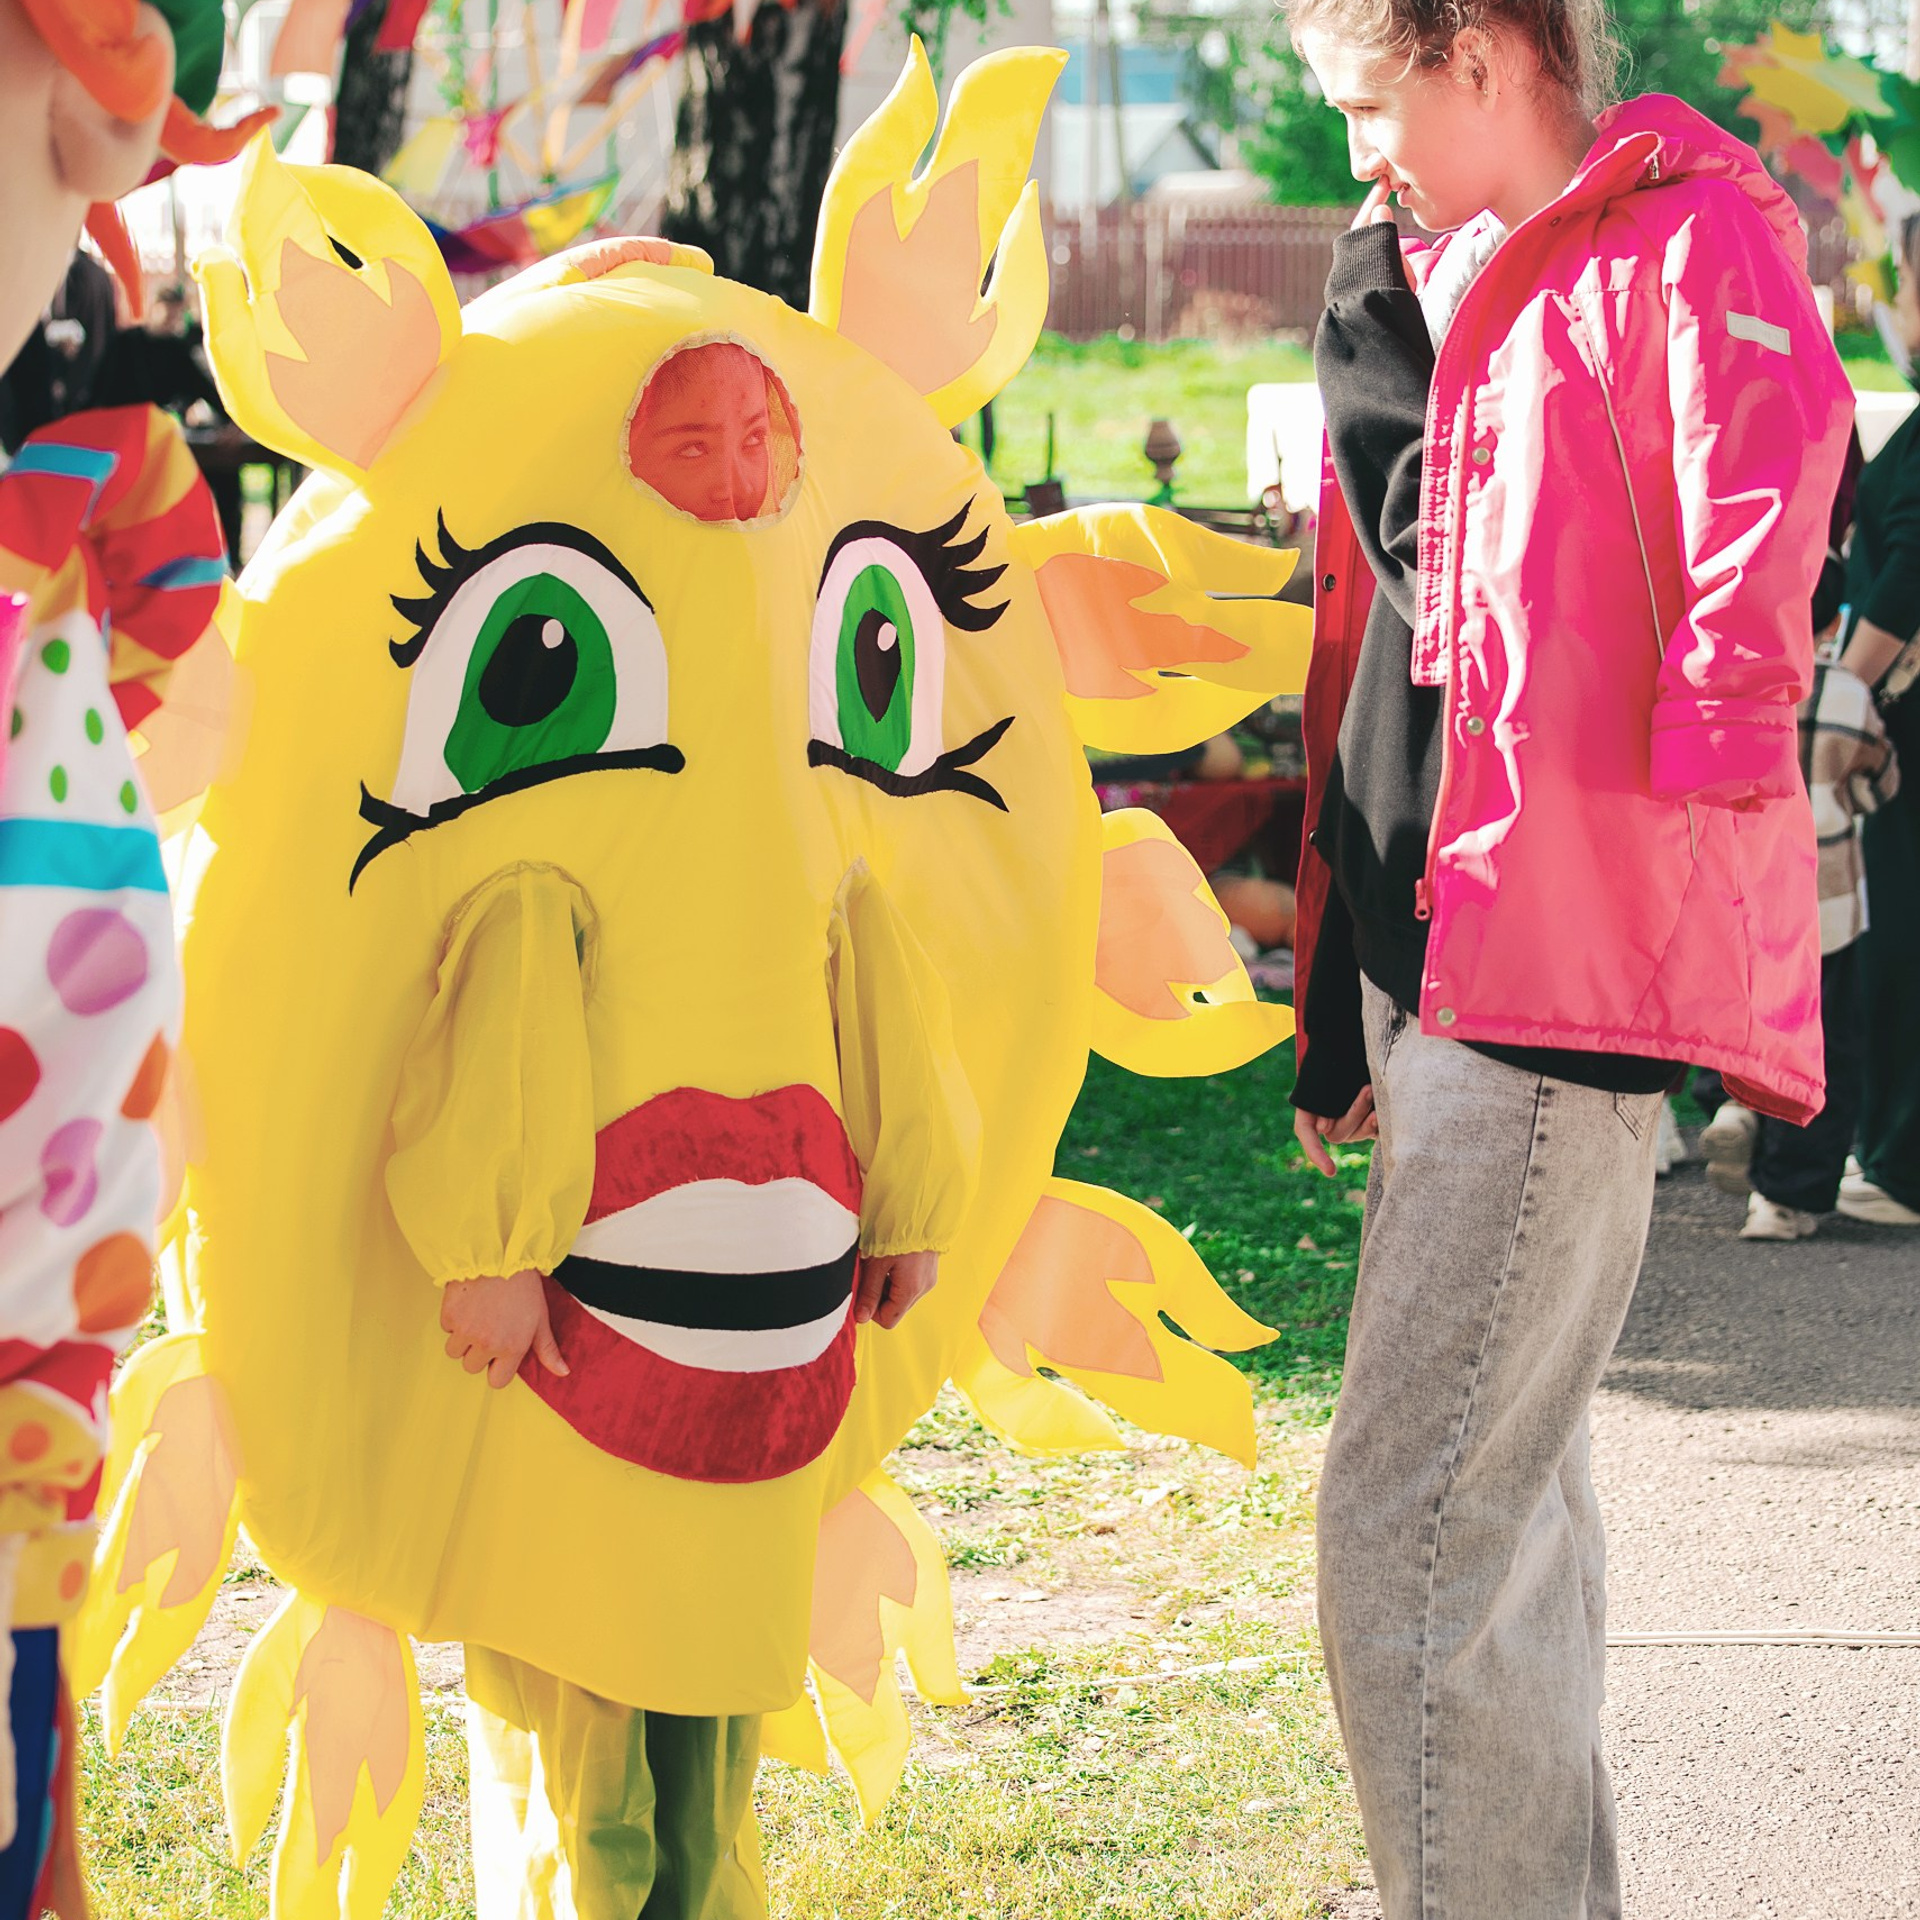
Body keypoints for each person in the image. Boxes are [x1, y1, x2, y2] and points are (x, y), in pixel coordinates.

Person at [1283, 0, 1853, 1911]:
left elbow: (1769, 499)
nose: (1355, 153)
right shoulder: (1451, 281)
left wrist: (1711, 766)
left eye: (1370, 102)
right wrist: (1334, 1013)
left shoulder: (1691, 232)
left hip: (1559, 981)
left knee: (1408, 1532)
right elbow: (1386, 670)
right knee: (1496, 1537)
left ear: (1477, 51)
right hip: (1463, 973)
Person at [1830, 211, 1920, 1228]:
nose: (1893, 305)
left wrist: (1844, 691)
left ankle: (1904, 1163)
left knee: (1896, 931)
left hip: (1901, 726)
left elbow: (1906, 568)